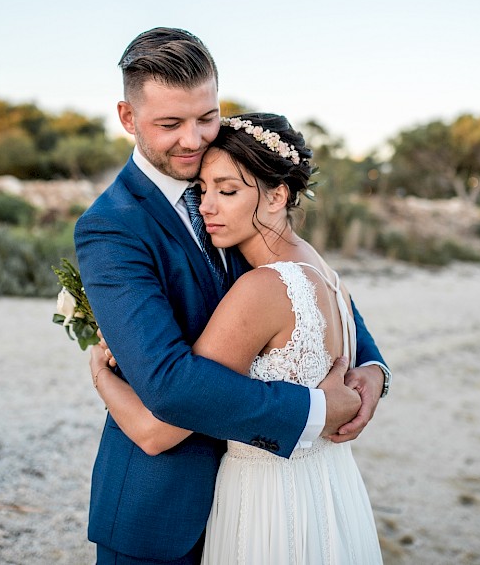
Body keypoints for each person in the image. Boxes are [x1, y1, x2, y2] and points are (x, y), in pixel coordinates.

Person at [75, 28, 390, 564]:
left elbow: (306, 283)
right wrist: (315, 409)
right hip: (163, 508)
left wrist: (374, 369)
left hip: (253, 502)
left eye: (206, 117)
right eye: (170, 124)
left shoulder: (230, 185)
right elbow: (169, 387)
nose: (194, 140)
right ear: (128, 119)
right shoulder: (112, 229)